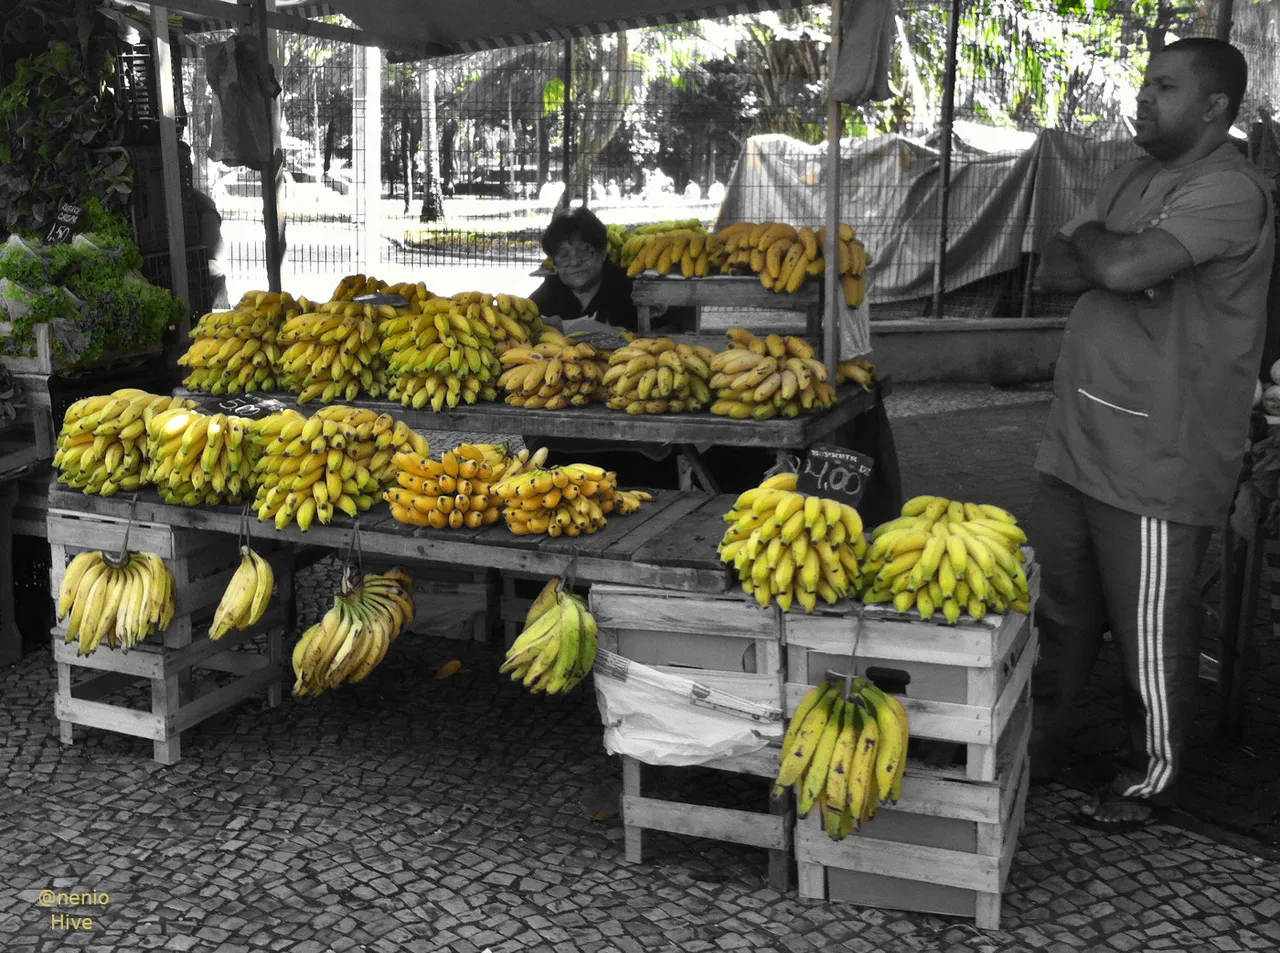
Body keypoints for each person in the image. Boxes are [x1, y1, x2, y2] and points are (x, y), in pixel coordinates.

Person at [1030, 38, 1275, 831]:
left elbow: (1119, 268)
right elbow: (1057, 270)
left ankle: (1149, 774)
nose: (1142, 99)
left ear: (1214, 108)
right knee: (1058, 612)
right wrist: (1109, 254)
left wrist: (1106, 252)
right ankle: (1036, 741)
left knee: (1151, 630)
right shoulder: (1134, 172)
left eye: (1164, 87)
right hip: (1079, 438)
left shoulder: (1232, 191)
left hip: (1162, 453)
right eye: (1143, 84)